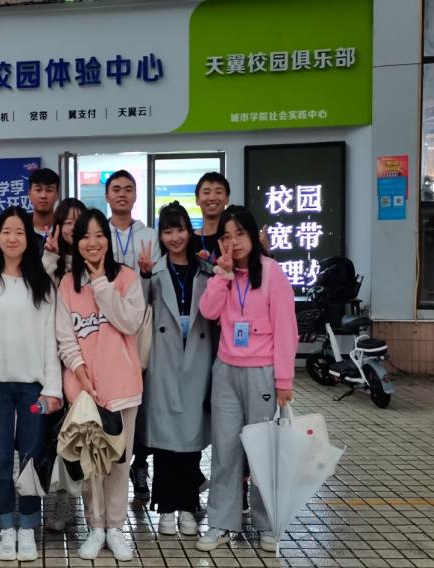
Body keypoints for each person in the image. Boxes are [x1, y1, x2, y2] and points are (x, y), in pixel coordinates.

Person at [196, 205, 296, 553]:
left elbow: (286, 329)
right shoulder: (222, 274)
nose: (234, 242)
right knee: (225, 450)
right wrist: (221, 276)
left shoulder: (271, 273)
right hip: (226, 371)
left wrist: (284, 379)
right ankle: (222, 523)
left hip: (262, 373)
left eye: (240, 234)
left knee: (263, 451)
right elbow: (208, 311)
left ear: (253, 236)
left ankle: (267, 523)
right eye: (226, 236)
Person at [0, 207, 62, 562]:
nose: (12, 238)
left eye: (19, 232)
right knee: (0, 457)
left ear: (28, 238)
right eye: (6, 231)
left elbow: (51, 342)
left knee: (32, 457)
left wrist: (53, 388)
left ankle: (29, 526)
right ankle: (6, 525)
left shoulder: (43, 284)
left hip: (33, 388)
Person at [54, 209, 146, 561]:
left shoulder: (126, 277)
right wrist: (81, 376)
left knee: (120, 461)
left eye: (99, 235)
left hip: (122, 388)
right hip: (84, 392)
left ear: (108, 239)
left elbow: (130, 322)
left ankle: (116, 527)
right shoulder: (68, 283)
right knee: (91, 462)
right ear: (75, 242)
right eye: (85, 236)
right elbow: (65, 337)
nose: (92, 243)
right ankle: (95, 526)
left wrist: (101, 284)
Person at [141, 202, 215, 538]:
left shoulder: (206, 272)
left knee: (191, 441)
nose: (174, 237)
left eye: (180, 229)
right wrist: (143, 276)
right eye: (168, 231)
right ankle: (166, 508)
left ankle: (188, 506)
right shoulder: (154, 272)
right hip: (164, 362)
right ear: (161, 235)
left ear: (190, 231)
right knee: (165, 444)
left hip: (198, 359)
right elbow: (139, 309)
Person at [104, 170, 156, 504]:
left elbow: (155, 288)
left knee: (141, 400)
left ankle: (139, 464)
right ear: (107, 195)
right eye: (116, 189)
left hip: (140, 328)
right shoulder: (99, 233)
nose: (122, 194)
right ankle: (109, 460)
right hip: (106, 330)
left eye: (128, 189)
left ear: (136, 195)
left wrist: (147, 273)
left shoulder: (149, 235)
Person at [39, 197, 87, 534]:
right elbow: (37, 295)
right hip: (51, 360)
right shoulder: (49, 262)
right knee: (51, 435)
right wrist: (50, 257)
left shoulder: (93, 263)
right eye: (66, 221)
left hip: (84, 362)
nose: (72, 227)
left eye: (77, 221)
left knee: (78, 433)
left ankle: (71, 500)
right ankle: (53, 497)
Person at [42, 198, 87, 285]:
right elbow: (40, 286)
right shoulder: (51, 258)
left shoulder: (93, 256)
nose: (74, 227)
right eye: (68, 222)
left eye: (79, 221)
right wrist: (50, 255)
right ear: (58, 226)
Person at [192, 172, 230, 261]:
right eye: (206, 192)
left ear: (227, 199)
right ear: (197, 199)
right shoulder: (188, 240)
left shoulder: (233, 238)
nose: (212, 198)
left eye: (218, 192)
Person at [28, 168, 60, 240]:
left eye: (49, 190)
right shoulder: (21, 227)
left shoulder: (64, 230)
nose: (43, 196)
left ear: (57, 195)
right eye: (38, 190)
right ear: (29, 194)